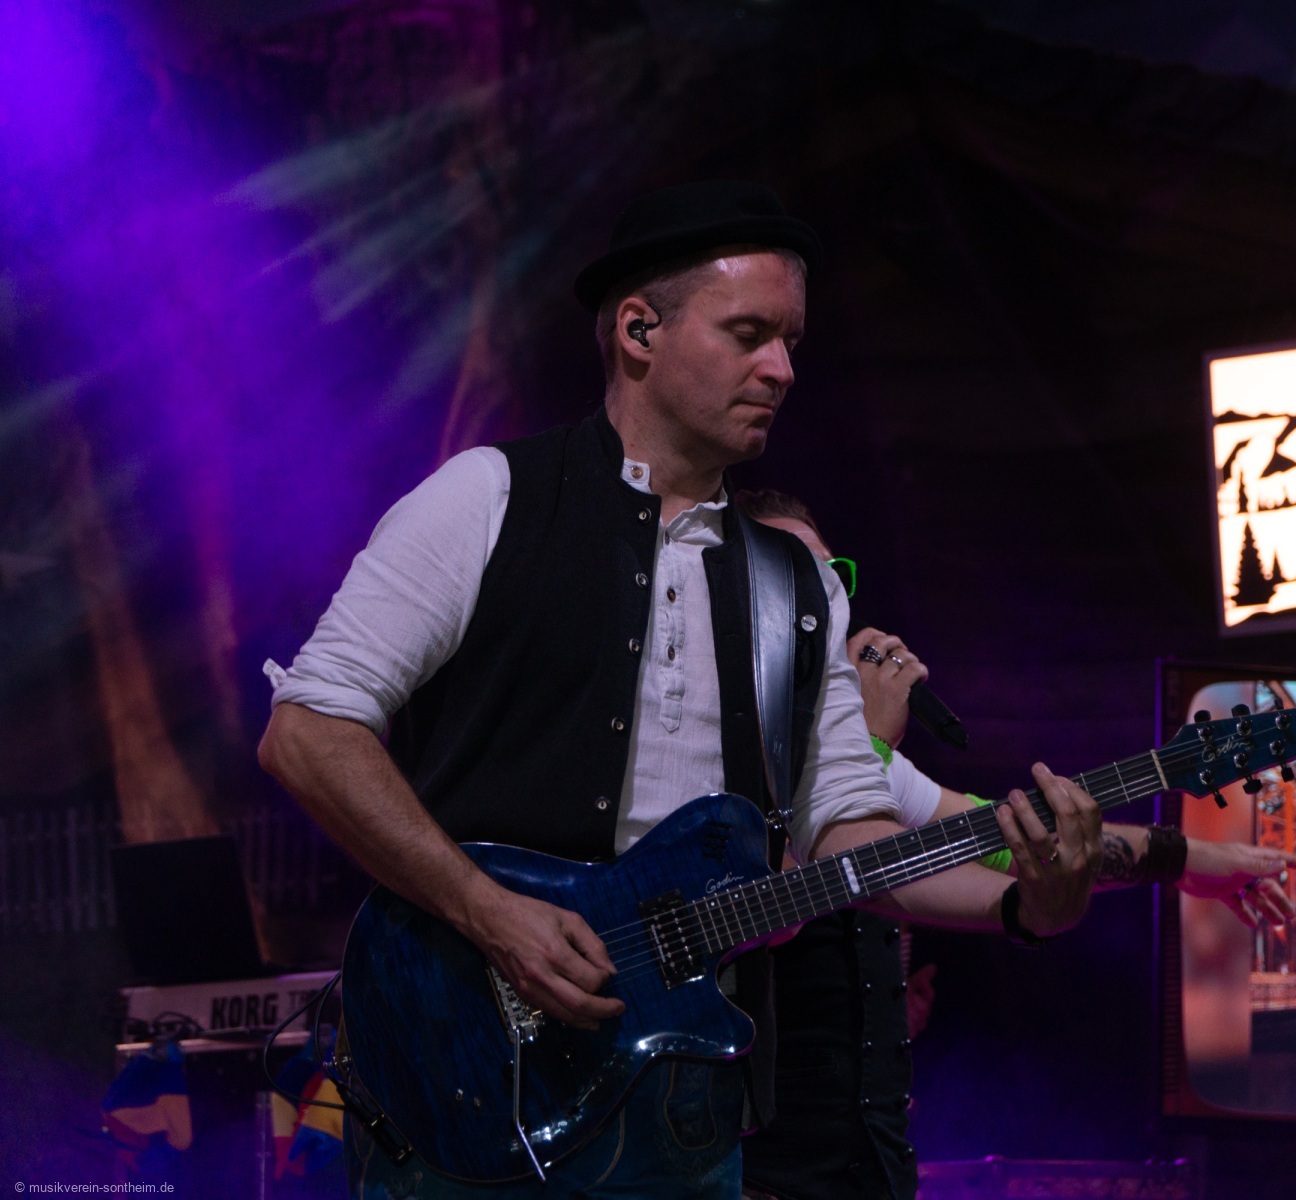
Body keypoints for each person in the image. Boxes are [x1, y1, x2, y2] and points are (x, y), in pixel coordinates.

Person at [255, 181, 1103, 1200]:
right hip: (460, 1071)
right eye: (749, 334)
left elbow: (849, 830)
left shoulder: (796, 587)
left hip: (681, 1107)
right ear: (638, 330)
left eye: (791, 341)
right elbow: (309, 732)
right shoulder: (487, 499)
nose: (782, 369)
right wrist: (489, 912)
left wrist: (1028, 905)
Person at [733, 490, 1296, 1200]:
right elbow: (810, 878)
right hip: (753, 1165)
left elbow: (1003, 835)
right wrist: (873, 741)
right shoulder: (704, 732)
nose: (821, 599)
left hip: (865, 1163)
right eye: (790, 572)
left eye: (830, 575)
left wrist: (1188, 859)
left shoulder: (845, 747)